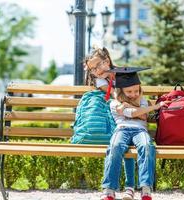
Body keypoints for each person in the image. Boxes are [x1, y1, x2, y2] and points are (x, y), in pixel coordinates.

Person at [71, 47, 136, 200]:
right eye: (92, 68)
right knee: (116, 143)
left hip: (124, 117)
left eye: (98, 66)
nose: (96, 71)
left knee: (128, 143)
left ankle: (129, 187)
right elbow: (114, 94)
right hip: (110, 118)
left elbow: (134, 91)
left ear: (107, 61)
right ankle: (109, 189)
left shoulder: (121, 73)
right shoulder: (100, 79)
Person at [101, 67, 169, 200]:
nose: (134, 94)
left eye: (136, 90)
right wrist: (154, 106)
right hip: (122, 130)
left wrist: (128, 106)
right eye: (129, 92)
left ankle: (145, 188)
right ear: (121, 91)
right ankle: (109, 189)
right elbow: (134, 113)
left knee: (147, 147)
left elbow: (143, 116)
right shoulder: (114, 103)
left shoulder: (143, 100)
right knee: (115, 147)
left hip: (140, 130)